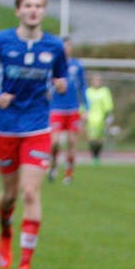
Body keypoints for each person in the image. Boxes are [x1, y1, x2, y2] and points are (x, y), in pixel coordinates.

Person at [0, 0, 68, 269]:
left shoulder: (54, 46)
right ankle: (5, 227)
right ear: (18, 10)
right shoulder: (0, 41)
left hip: (37, 127)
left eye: (38, 6)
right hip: (5, 127)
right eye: (28, 6)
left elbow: (62, 74)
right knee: (9, 195)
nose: (33, 11)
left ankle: (25, 266)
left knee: (31, 192)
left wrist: (61, 84)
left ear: (44, 11)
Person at [48, 36, 87, 184]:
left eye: (68, 46)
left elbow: (83, 87)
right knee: (55, 143)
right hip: (56, 109)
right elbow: (46, 85)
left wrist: (86, 108)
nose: (65, 48)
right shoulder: (52, 65)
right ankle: (53, 166)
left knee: (72, 141)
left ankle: (69, 173)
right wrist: (54, 86)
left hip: (72, 110)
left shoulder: (77, 65)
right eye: (63, 46)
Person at [85, 72, 114, 164]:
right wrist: (83, 114)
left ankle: (97, 156)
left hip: (101, 119)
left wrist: (109, 115)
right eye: (95, 80)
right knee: (91, 138)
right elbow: (84, 105)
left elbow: (108, 105)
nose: (97, 82)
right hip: (90, 119)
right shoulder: (88, 92)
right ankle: (94, 156)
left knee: (99, 139)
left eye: (98, 80)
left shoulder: (104, 91)